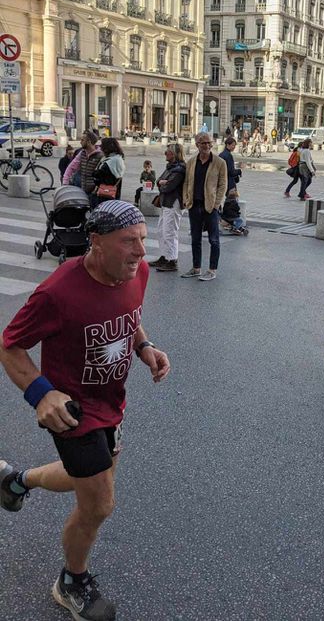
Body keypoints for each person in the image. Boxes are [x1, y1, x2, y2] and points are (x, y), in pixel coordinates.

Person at [0, 200, 170, 621]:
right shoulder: (58, 292)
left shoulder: (136, 272)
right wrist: (41, 393)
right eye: (128, 242)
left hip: (112, 403)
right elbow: (9, 345)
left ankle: (15, 482)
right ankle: (72, 581)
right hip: (72, 412)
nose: (140, 253)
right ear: (95, 242)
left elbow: (129, 316)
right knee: (98, 505)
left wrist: (144, 346)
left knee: (93, 478)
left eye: (143, 240)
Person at [181, 133, 227, 282]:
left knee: (214, 240)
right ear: (197, 145)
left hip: (210, 206)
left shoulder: (220, 162)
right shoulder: (191, 162)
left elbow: (222, 185)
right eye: (203, 143)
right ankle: (196, 268)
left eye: (208, 143)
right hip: (194, 205)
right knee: (195, 238)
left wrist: (216, 204)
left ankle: (212, 270)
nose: (206, 146)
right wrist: (187, 199)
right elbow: (187, 182)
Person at [148, 144, 187, 273]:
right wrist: (162, 182)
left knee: (170, 231)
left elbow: (168, 187)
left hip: (173, 202)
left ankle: (172, 260)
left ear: (174, 154)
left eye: (167, 152)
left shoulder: (179, 169)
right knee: (161, 230)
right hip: (166, 202)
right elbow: (159, 181)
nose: (165, 153)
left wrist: (163, 183)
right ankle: (165, 256)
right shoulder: (170, 167)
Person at [62, 131, 103, 199]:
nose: (80, 142)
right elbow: (71, 167)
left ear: (89, 142)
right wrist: (65, 183)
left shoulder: (100, 155)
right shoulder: (82, 153)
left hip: (95, 193)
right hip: (83, 191)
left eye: (82, 140)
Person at [92, 138, 125, 206]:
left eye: (102, 146)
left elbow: (97, 175)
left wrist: (94, 173)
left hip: (104, 195)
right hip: (115, 193)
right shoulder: (119, 159)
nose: (100, 148)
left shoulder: (108, 163)